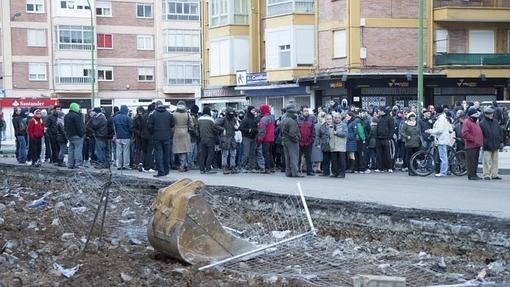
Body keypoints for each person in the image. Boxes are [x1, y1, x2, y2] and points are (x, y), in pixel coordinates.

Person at [425, 106, 453, 177]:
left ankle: (443, 172)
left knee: (443, 157)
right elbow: (450, 129)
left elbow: (439, 130)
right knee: (443, 156)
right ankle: (444, 170)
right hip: (443, 139)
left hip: (442, 139)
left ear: (437, 112)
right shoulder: (444, 118)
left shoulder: (441, 119)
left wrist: (430, 131)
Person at [148, 101, 173, 177]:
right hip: (166, 136)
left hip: (156, 136)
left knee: (158, 154)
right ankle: (166, 170)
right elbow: (172, 124)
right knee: (166, 154)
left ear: (156, 106)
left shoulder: (153, 114)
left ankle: (161, 171)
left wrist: (152, 133)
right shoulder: (168, 114)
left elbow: (149, 126)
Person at [479, 107, 502, 180]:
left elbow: (499, 132)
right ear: (486, 114)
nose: (491, 115)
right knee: (486, 160)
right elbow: (481, 134)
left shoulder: (495, 122)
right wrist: (483, 142)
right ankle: (486, 174)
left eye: (492, 113)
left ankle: (494, 173)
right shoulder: (482, 123)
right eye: (490, 114)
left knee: (495, 160)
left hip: (495, 143)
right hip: (487, 144)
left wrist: (500, 141)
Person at [215, 107, 239, 174]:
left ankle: (232, 166)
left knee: (233, 153)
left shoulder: (233, 119)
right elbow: (215, 124)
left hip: (232, 138)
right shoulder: (223, 119)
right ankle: (224, 167)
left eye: (232, 113)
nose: (231, 114)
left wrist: (236, 128)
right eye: (230, 113)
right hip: (225, 138)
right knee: (225, 154)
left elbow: (236, 127)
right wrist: (223, 129)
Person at [462, 108, 483, 180]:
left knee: (475, 161)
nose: (477, 117)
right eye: (475, 115)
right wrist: (473, 139)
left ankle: (474, 174)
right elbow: (465, 134)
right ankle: (471, 175)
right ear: (471, 115)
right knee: (471, 161)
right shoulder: (467, 122)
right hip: (471, 145)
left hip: (477, 145)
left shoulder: (475, 122)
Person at [281, 104, 302, 177]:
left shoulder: (283, 119)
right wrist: (297, 139)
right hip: (291, 142)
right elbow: (292, 134)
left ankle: (288, 172)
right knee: (294, 157)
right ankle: (295, 173)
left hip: (285, 140)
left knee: (287, 158)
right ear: (292, 113)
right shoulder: (292, 121)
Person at [172, 101, 193, 172]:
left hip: (176, 132)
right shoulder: (187, 114)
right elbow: (191, 124)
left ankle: (183, 165)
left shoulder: (174, 114)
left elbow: (171, 124)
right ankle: (184, 165)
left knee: (179, 150)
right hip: (185, 132)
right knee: (184, 150)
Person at [64, 103, 85, 169]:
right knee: (78, 149)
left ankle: (70, 164)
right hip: (77, 135)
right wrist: (82, 134)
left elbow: (65, 127)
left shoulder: (66, 116)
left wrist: (67, 134)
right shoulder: (77, 116)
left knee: (71, 149)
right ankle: (78, 164)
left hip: (69, 136)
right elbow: (79, 127)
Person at [197, 107, 217, 174]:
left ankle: (202, 169)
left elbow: (197, 129)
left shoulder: (199, 119)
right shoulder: (211, 120)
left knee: (202, 154)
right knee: (210, 154)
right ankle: (208, 168)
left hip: (202, 139)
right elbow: (214, 129)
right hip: (210, 139)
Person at [238, 106, 258, 172]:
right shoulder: (245, 119)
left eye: (254, 110)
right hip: (246, 137)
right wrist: (248, 130)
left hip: (253, 137)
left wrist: (256, 129)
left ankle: (251, 167)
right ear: (249, 111)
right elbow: (240, 128)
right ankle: (242, 166)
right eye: (252, 110)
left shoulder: (255, 119)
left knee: (252, 153)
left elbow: (256, 127)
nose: (254, 112)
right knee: (246, 153)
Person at [375, 107, 395, 172]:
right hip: (379, 138)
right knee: (379, 154)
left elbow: (392, 128)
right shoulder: (379, 118)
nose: (378, 112)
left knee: (388, 154)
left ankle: (389, 167)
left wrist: (390, 137)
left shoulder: (390, 118)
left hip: (386, 138)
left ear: (382, 111)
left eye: (379, 111)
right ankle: (380, 167)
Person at [113, 105, 133, 170]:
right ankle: (125, 165)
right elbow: (131, 128)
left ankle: (119, 165)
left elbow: (114, 128)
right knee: (126, 152)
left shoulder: (115, 117)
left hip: (118, 137)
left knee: (118, 151)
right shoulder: (128, 118)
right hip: (126, 136)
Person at [257, 104, 275, 174]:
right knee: (270, 153)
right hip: (271, 138)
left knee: (266, 154)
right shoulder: (271, 117)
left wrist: (260, 139)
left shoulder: (264, 119)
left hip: (266, 139)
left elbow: (262, 131)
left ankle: (267, 168)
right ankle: (272, 167)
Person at [297, 107, 315, 176]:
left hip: (308, 142)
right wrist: (298, 139)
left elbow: (313, 131)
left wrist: (312, 140)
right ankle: (297, 170)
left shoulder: (311, 119)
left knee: (308, 157)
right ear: (301, 112)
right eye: (305, 111)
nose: (306, 112)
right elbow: (296, 130)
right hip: (300, 142)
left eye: (307, 111)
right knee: (298, 157)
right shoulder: (297, 120)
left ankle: (309, 171)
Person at [330, 112, 347, 178]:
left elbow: (345, 134)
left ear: (341, 118)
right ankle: (335, 173)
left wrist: (336, 133)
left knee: (341, 160)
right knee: (334, 160)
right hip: (333, 145)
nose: (337, 119)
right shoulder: (332, 125)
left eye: (338, 117)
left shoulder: (344, 125)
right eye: (335, 117)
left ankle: (342, 173)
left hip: (341, 145)